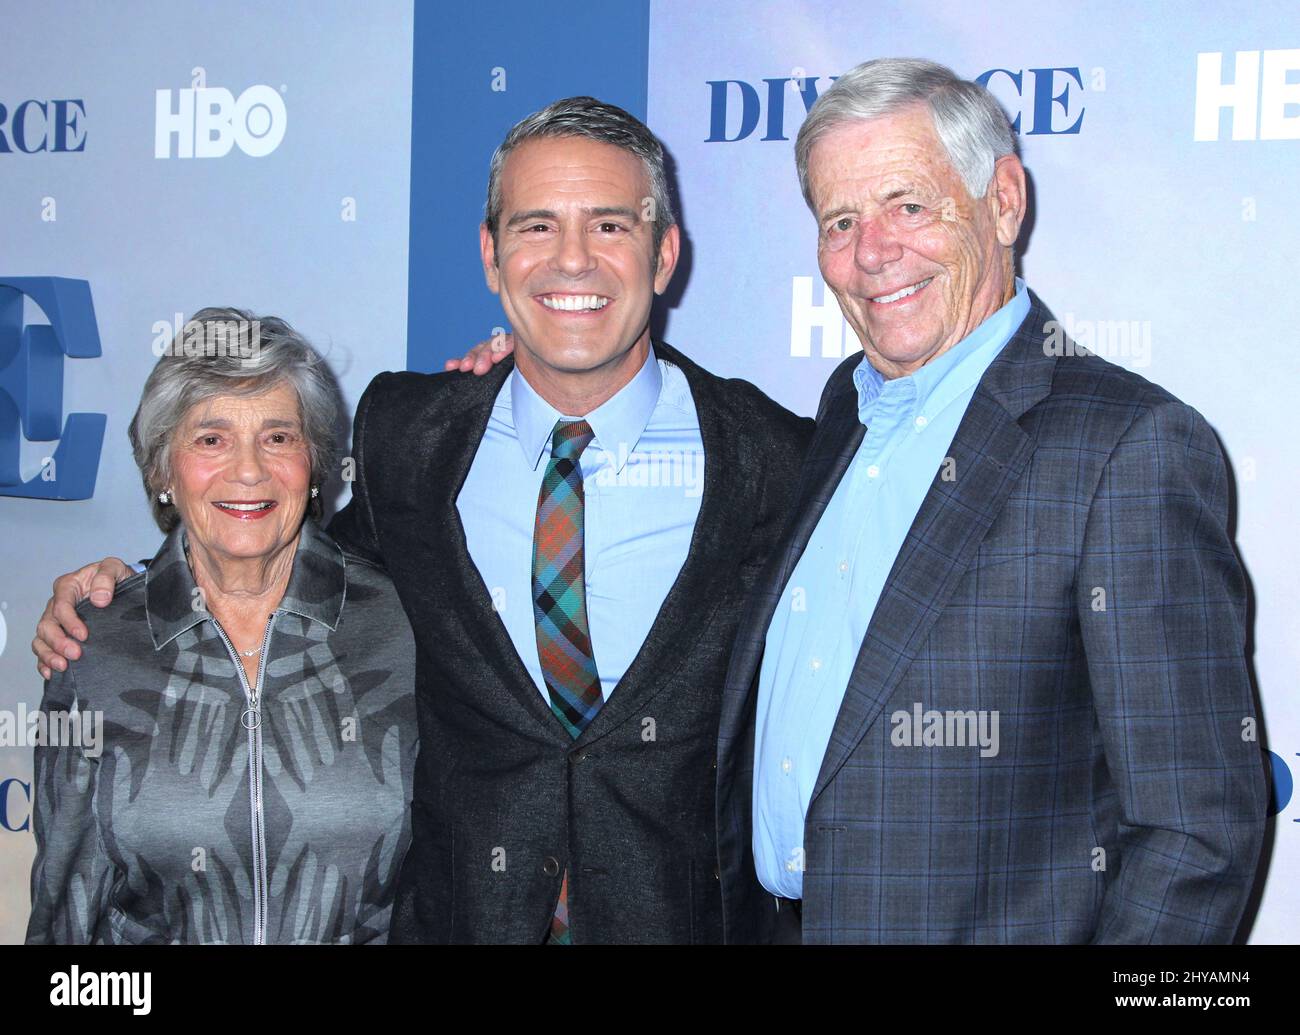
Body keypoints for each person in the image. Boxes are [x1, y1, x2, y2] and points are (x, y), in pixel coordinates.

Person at [31, 100, 812, 944]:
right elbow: (279, 551)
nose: (572, 260)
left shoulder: (779, 461)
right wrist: (137, 589)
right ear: (491, 255)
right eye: (537, 226)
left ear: (663, 254)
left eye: (610, 225)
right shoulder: (408, 433)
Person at [710, 58, 1266, 943]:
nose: (873, 250)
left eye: (909, 204)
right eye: (840, 220)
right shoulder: (841, 415)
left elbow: (1198, 832)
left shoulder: (1127, 446)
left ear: (1003, 201)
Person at [25, 310, 417, 944]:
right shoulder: (92, 647)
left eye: (278, 437)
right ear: (162, 472)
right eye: (211, 438)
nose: (249, 471)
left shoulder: (404, 625)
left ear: (314, 463)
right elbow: (65, 913)